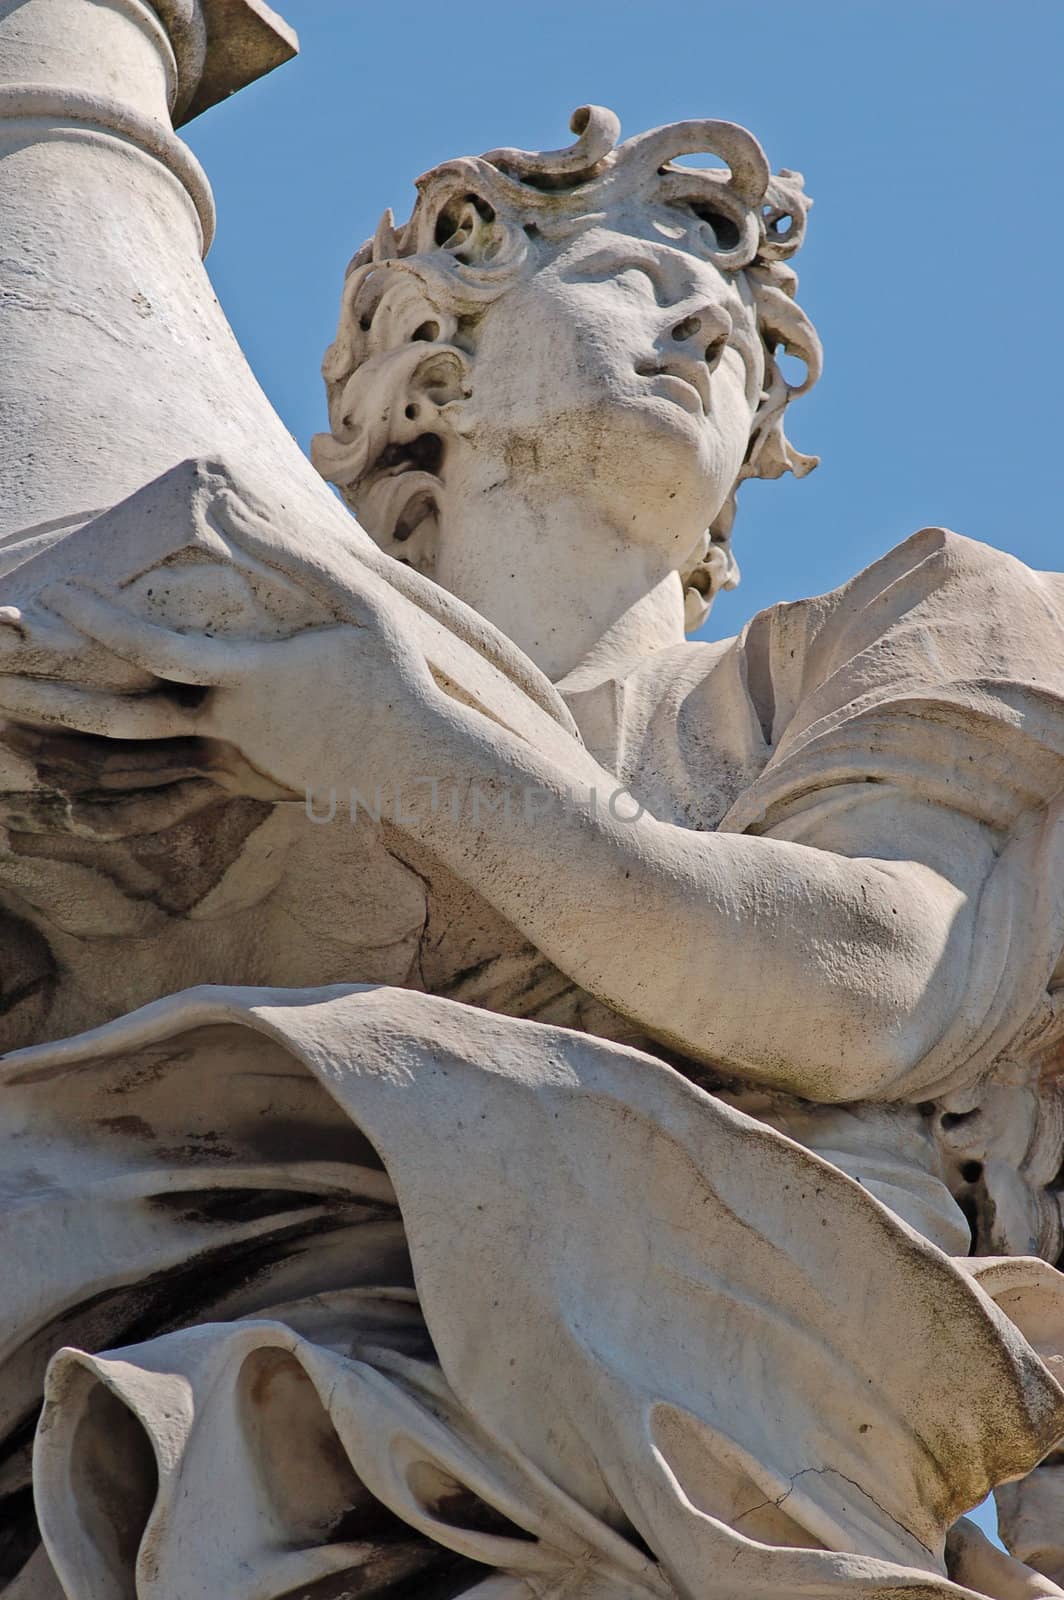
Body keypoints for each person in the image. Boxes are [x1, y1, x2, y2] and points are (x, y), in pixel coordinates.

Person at [2, 108, 1064, 1600]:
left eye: (744, 337)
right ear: (437, 362)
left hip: (726, 1460)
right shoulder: (225, 735)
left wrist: (409, 752)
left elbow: (875, 980)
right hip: (189, 1433)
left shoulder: (905, 631)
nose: (706, 320)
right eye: (638, 277)